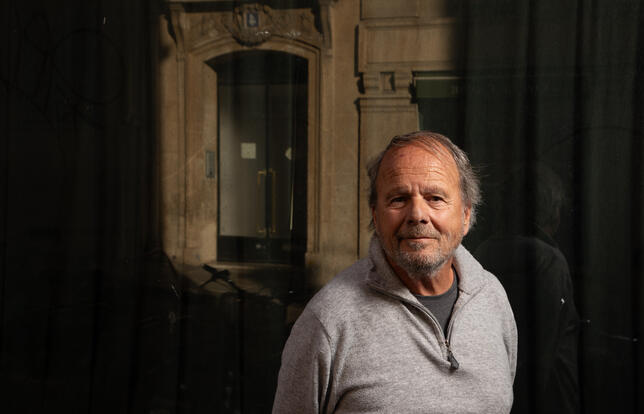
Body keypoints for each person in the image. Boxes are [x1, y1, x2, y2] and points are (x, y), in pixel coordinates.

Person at [272, 131, 517, 413]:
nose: (417, 215)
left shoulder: (492, 298)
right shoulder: (328, 321)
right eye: (399, 199)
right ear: (376, 216)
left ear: (465, 215)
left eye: (435, 198)